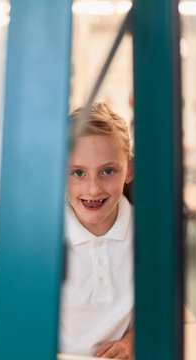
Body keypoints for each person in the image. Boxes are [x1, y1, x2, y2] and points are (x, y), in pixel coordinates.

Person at [59, 102, 135, 359]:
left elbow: (162, 306)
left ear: (129, 170)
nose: (93, 189)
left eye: (108, 171)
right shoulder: (45, 235)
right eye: (78, 173)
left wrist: (133, 341)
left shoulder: (148, 235)